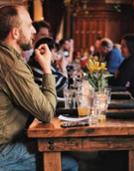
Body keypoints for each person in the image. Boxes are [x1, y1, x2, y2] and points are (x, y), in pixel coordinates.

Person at [0, 5, 78, 171]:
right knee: (71, 164)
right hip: (4, 150)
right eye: (29, 25)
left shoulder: (8, 59)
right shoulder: (11, 65)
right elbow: (46, 112)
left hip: (12, 141)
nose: (34, 30)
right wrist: (47, 69)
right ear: (15, 33)